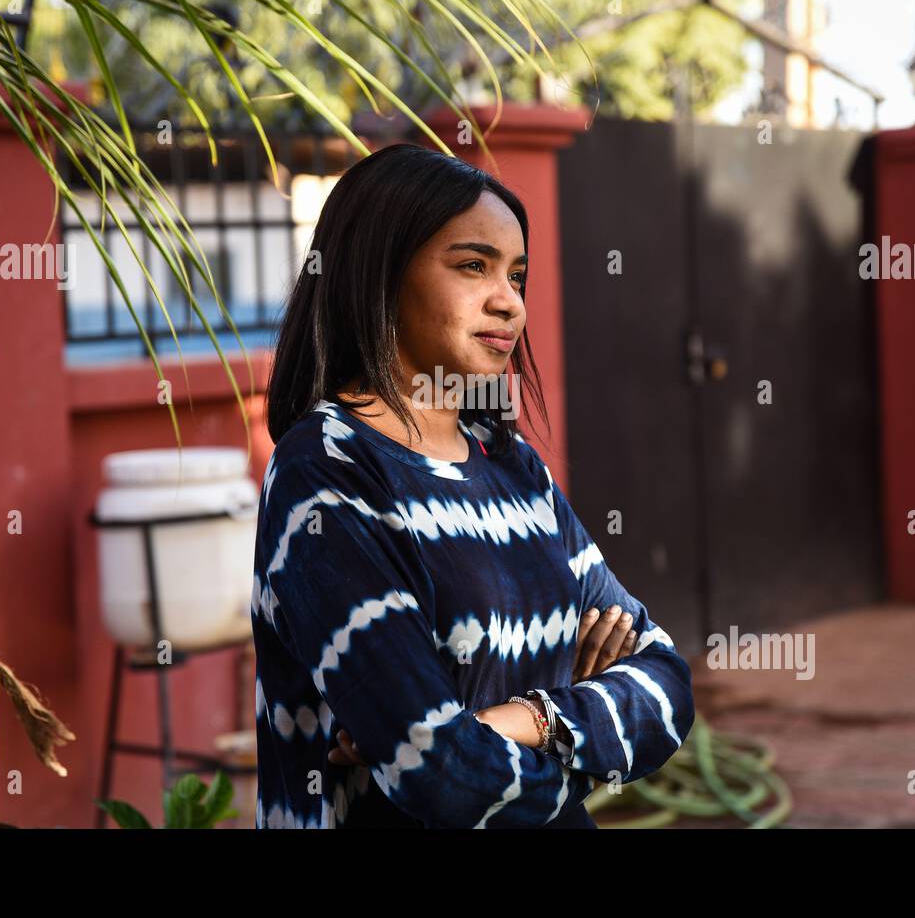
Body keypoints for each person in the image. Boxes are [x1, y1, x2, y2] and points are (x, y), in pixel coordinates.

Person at [251, 143, 694, 828]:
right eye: (472, 266)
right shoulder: (328, 471)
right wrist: (586, 734)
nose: (509, 303)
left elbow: (666, 686)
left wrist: (525, 718)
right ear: (380, 272)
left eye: (517, 275)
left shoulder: (512, 466)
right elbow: (443, 775)